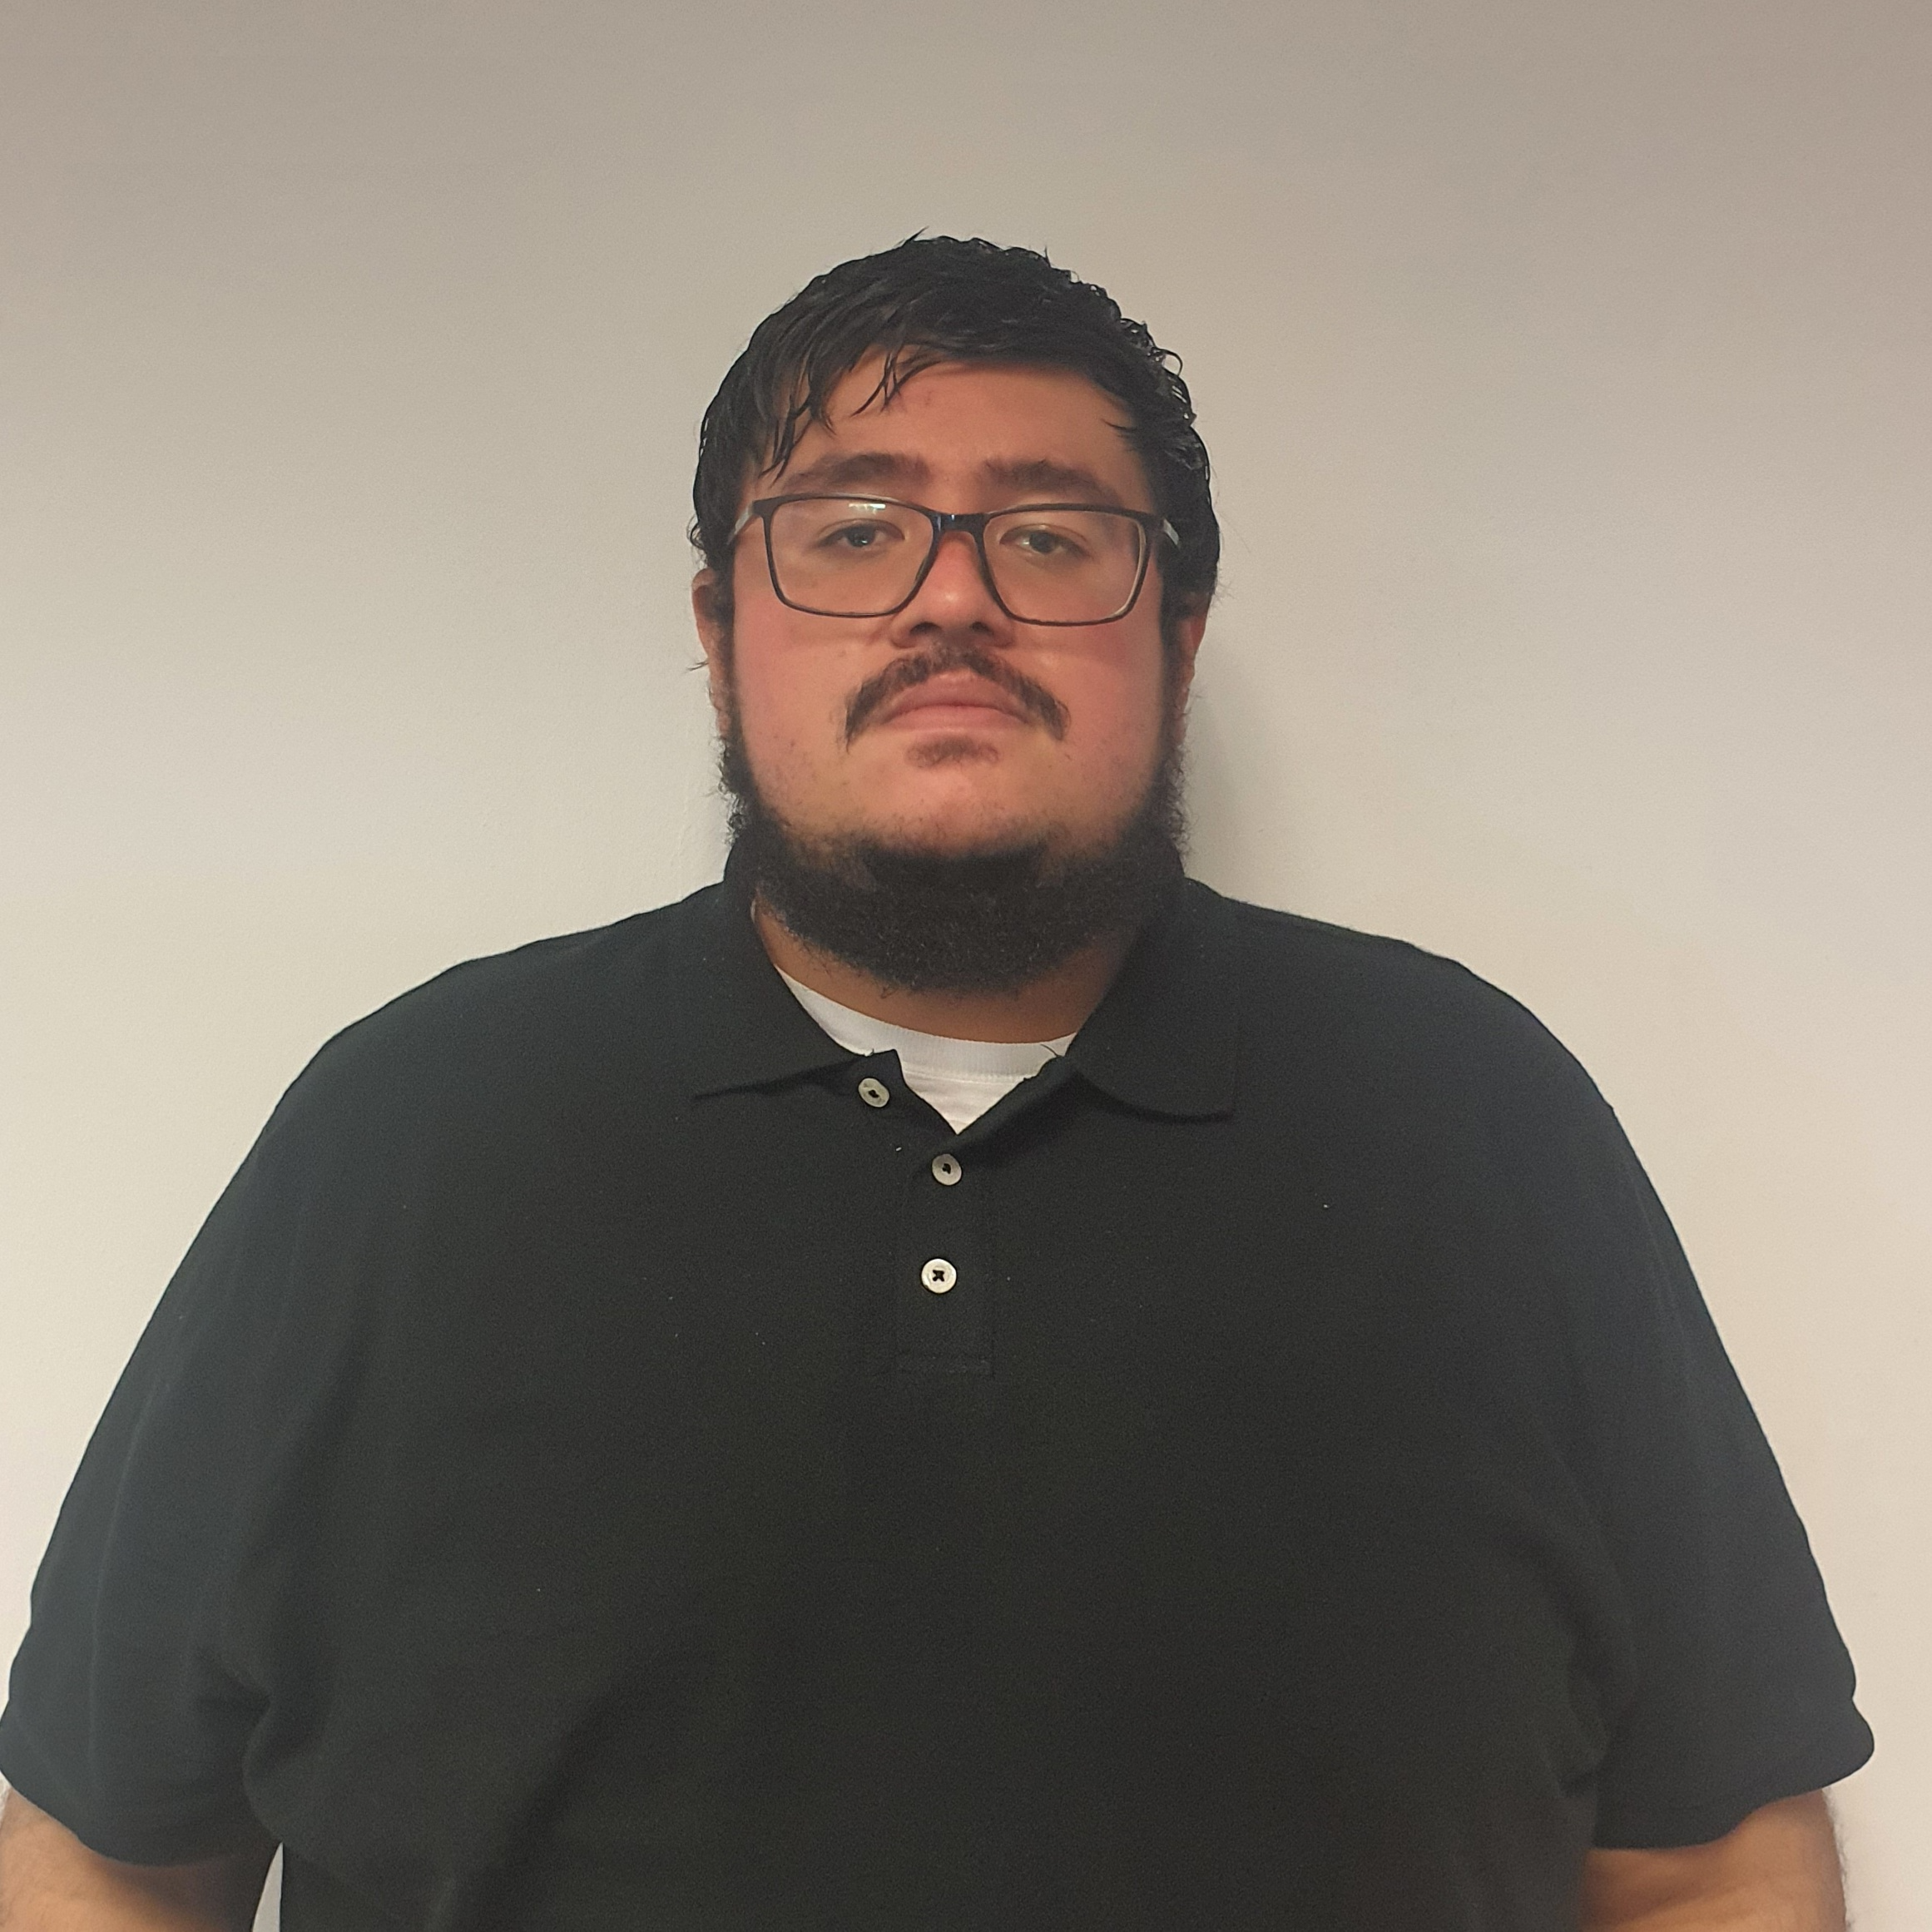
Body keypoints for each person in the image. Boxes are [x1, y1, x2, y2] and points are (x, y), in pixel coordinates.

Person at [0, 235, 1872, 1931]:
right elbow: (105, 1852)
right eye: (850, 530)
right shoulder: (403, 1134)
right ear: (720, 634)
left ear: (1178, 634)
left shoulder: (1479, 1124)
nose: (951, 600)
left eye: (1050, 535)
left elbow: (1709, 1860)